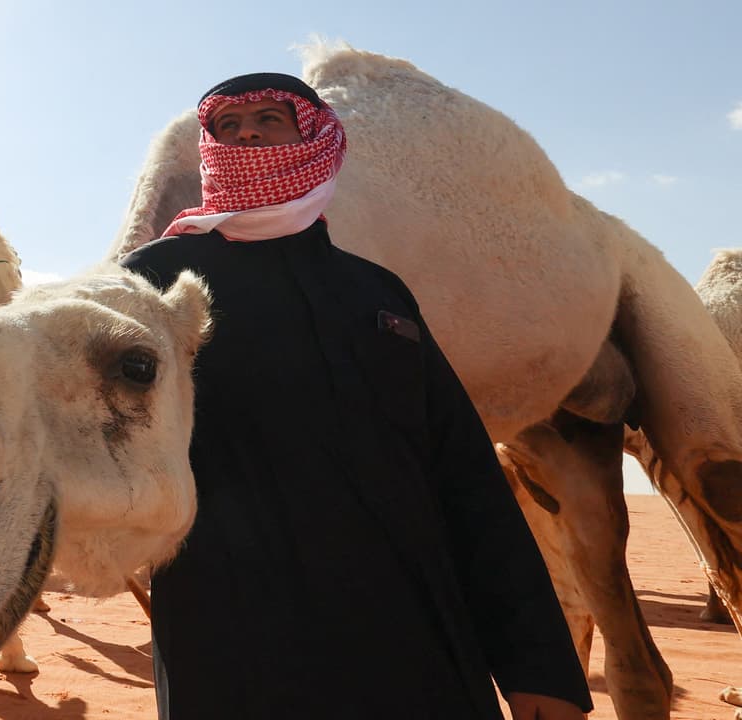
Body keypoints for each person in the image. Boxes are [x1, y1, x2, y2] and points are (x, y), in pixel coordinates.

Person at [120, 72, 592, 720]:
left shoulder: (378, 294)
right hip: (234, 653)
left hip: (413, 650)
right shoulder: (150, 283)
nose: (247, 131)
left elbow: (465, 479)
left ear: (316, 139)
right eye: (228, 125)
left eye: (268, 118)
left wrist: (538, 665)